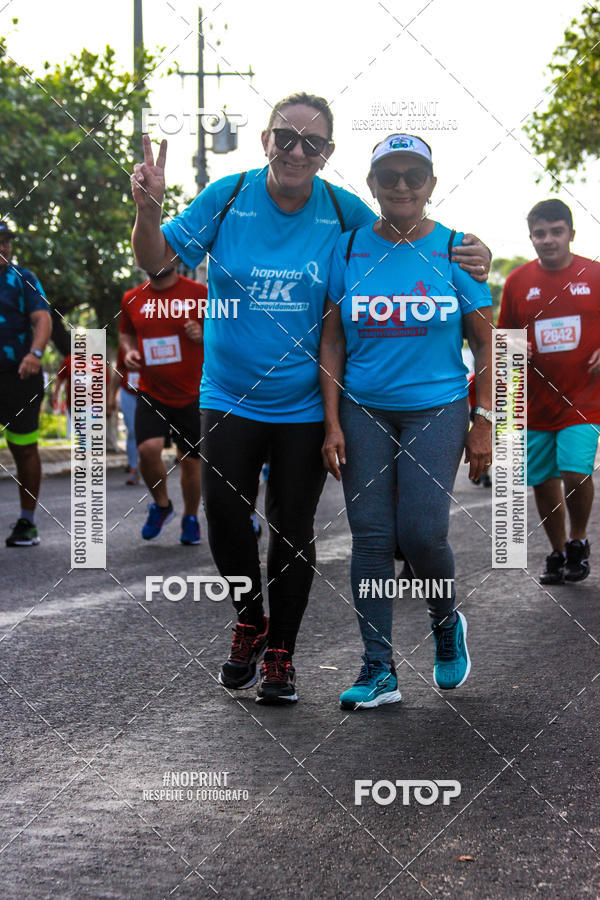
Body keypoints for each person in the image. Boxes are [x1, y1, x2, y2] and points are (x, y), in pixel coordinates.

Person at [131, 93, 491, 705]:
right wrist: (147, 211)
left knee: (299, 528)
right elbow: (156, 264)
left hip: (307, 403)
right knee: (226, 516)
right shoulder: (228, 196)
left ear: (328, 154)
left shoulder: (343, 210)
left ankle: (283, 654)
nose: (298, 151)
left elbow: (403, 230)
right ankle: (253, 621)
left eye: (313, 143)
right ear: (265, 140)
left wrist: (471, 253)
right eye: (287, 138)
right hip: (230, 394)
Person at [320, 134, 493, 710]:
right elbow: (332, 342)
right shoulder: (348, 249)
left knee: (421, 533)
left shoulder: (457, 251)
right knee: (370, 538)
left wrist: (485, 421)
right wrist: (332, 422)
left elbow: (488, 343)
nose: (401, 186)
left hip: (437, 408)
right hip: (363, 409)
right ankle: (378, 669)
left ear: (431, 184)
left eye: (413, 176)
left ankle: (446, 623)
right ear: (371, 184)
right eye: (389, 176)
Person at [498, 199, 600, 584]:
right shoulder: (517, 282)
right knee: (542, 481)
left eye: (556, 231)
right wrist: (512, 346)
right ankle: (557, 552)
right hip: (535, 403)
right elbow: (503, 338)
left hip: (584, 400)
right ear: (531, 238)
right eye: (540, 233)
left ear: (571, 233)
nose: (548, 239)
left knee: (575, 473)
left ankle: (578, 541)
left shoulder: (595, 274)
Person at [119, 268, 206, 544]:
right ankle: (162, 505)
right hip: (151, 391)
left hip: (192, 393)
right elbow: (126, 334)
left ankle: (190, 518)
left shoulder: (200, 294)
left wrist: (203, 333)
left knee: (190, 462)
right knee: (147, 449)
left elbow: (227, 333)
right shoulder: (132, 298)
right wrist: (129, 352)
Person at [0, 221, 52, 547]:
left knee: (24, 448)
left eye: (6, 241)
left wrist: (35, 353)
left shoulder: (24, 279)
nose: (3, 247)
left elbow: (42, 318)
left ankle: (27, 522)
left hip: (20, 377)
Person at [109, 346, 141, 484]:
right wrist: (111, 396)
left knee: (148, 432)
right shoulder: (125, 345)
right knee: (133, 430)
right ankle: (134, 468)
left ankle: (147, 465)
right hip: (128, 393)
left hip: (150, 392)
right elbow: (119, 371)